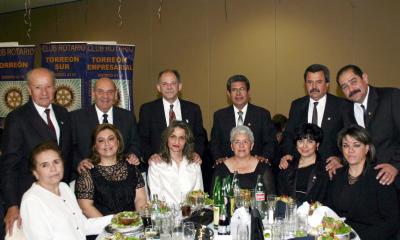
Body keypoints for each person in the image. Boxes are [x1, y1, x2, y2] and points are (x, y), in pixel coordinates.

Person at [0, 67, 72, 235]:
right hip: (30, 198)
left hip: (60, 195)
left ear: (55, 88)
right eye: (38, 87)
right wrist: (12, 205)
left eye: (48, 86)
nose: (44, 92)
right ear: (29, 90)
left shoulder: (63, 114)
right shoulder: (17, 119)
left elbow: (66, 153)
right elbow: (9, 166)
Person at [20, 141, 112, 240]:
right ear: (35, 173)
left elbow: (82, 226)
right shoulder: (32, 201)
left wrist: (117, 219)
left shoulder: (64, 187)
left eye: (56, 162)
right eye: (45, 165)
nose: (53, 169)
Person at [326, 125, 399, 240]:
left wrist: (356, 238)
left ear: (366, 148)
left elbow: (391, 222)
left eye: (356, 145)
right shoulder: (337, 175)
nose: (350, 150)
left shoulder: (380, 176)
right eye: (346, 145)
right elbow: (329, 211)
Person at [336, 64, 400, 186]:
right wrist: (338, 158)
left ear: (365, 78)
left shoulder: (391, 96)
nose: (351, 89)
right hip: (365, 181)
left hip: (395, 178)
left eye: (353, 82)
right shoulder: (345, 109)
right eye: (345, 87)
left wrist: (395, 166)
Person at [279, 64, 345, 176]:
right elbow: (288, 135)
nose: (314, 86)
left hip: (330, 169)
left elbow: (349, 138)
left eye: (318, 82)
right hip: (301, 169)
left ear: (327, 84)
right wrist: (287, 154)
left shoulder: (341, 105)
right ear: (305, 84)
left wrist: (340, 159)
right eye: (310, 82)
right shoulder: (297, 105)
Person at [71, 77, 141, 178]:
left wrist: (133, 154)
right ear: (93, 93)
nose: (105, 96)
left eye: (110, 92)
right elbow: (70, 148)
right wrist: (79, 162)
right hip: (88, 176)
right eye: (100, 92)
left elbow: (135, 142)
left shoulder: (128, 117)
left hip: (121, 176)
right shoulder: (76, 117)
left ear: (115, 94)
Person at [75, 124, 147, 217]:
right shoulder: (87, 173)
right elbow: (86, 208)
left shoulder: (131, 167)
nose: (107, 144)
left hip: (133, 226)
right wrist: (112, 226)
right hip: (103, 228)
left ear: (118, 141)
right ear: (95, 146)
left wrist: (137, 222)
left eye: (111, 139)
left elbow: (140, 199)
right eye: (101, 140)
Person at [138, 69, 206, 165]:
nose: (169, 87)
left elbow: (200, 137)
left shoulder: (193, 109)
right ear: (158, 87)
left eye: (173, 83)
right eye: (164, 84)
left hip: (187, 164)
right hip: (158, 165)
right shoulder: (147, 109)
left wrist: (196, 153)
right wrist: (150, 155)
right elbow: (142, 138)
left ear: (180, 86)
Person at [210, 75, 277, 164]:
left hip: (256, 167)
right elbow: (214, 143)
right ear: (228, 94)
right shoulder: (220, 116)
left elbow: (271, 142)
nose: (238, 93)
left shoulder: (262, 114)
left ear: (248, 92)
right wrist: (219, 158)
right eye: (234, 90)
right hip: (228, 166)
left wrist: (265, 157)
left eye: (242, 89)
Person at [148, 121, 203, 204]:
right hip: (165, 215)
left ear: (186, 141)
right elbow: (156, 200)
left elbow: (199, 196)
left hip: (191, 214)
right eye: (173, 137)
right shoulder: (156, 165)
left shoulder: (194, 164)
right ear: (167, 139)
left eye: (181, 138)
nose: (177, 142)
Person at [211, 126, 276, 194]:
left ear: (252, 145)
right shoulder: (220, 169)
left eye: (245, 142)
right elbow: (213, 199)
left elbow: (271, 198)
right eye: (237, 142)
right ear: (232, 146)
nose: (241, 145)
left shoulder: (263, 168)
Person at [278, 123, 329, 205]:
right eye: (300, 141)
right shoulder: (287, 166)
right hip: (289, 212)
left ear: (317, 144)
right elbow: (282, 195)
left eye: (310, 141)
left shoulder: (325, 169)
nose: (304, 146)